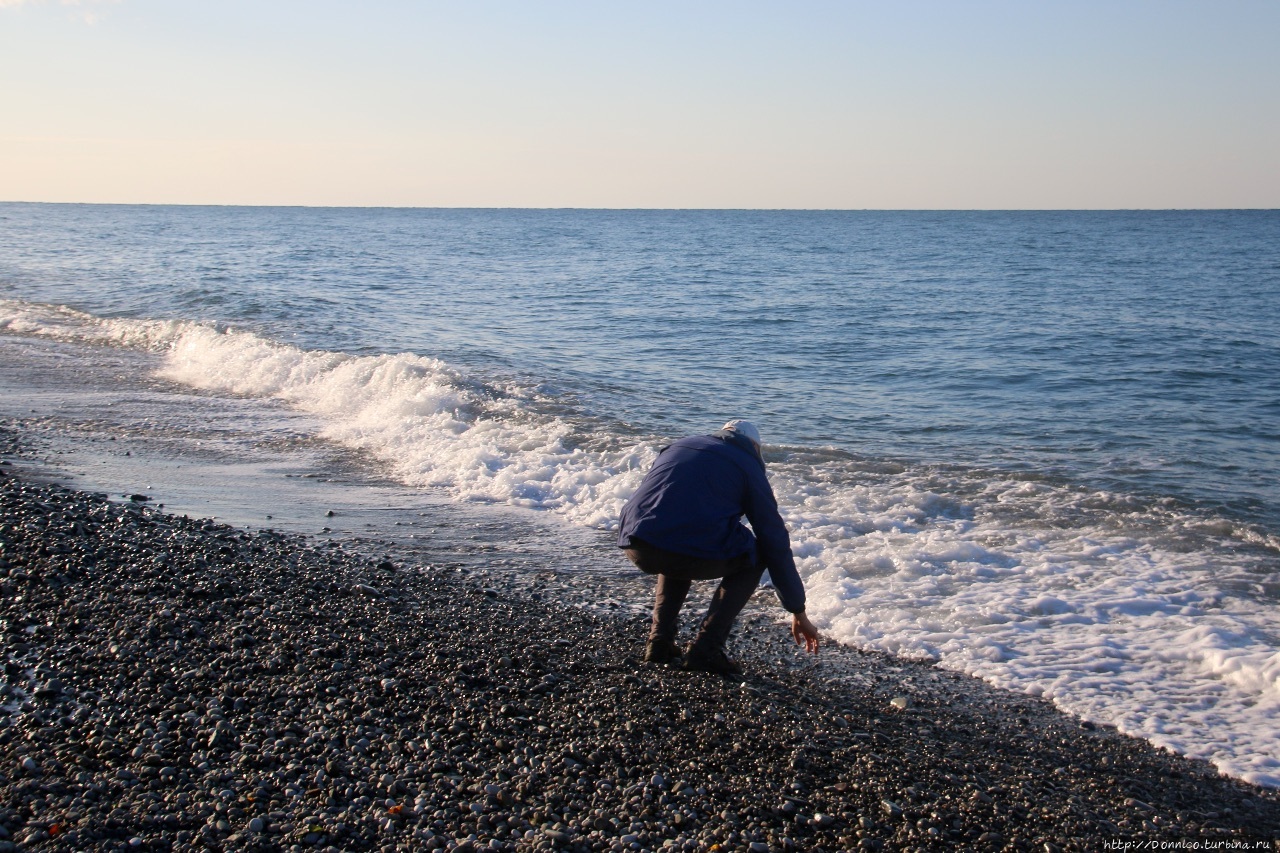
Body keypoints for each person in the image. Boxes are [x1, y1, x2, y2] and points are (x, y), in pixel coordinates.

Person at [617, 419, 820, 674]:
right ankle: (706, 650)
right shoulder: (747, 465)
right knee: (755, 555)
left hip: (636, 541)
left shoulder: (680, 445)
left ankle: (659, 642)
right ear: (755, 448)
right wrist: (797, 610)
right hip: (676, 549)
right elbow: (775, 541)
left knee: (677, 534)